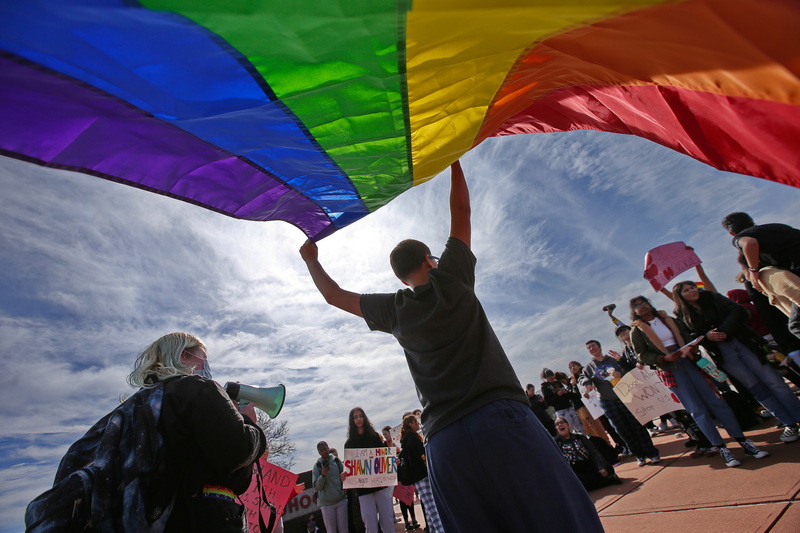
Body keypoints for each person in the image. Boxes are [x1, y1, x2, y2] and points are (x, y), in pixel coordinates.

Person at [300, 161, 603, 532]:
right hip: (500, 418)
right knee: (559, 518)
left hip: (445, 442)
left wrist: (311, 260)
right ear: (430, 260)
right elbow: (462, 211)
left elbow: (333, 295)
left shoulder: (394, 309)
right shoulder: (454, 277)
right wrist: (455, 158)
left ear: (399, 277)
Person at [127, 332, 267, 532]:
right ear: (183, 356)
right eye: (204, 359)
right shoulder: (197, 387)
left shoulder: (138, 404)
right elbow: (237, 452)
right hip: (203, 516)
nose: (207, 367)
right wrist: (247, 422)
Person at [628, 295, 764, 467]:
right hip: (670, 368)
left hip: (690, 360)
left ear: (650, 304)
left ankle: (742, 440)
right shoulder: (637, 331)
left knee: (716, 400)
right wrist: (663, 357)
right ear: (634, 311)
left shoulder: (668, 319)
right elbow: (641, 354)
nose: (643, 307)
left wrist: (690, 346)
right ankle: (721, 448)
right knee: (696, 409)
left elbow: (686, 333)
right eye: (637, 305)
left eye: (644, 303)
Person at [671, 281, 800, 444]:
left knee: (773, 381)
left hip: (743, 342)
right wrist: (707, 336)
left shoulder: (712, 297)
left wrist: (725, 330)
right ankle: (788, 423)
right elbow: (691, 335)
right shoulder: (681, 313)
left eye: (693, 287)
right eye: (687, 290)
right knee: (756, 388)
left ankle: (798, 417)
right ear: (679, 296)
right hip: (723, 353)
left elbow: (739, 310)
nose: (693, 290)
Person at [579, 340, 660, 467]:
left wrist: (620, 374)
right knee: (622, 430)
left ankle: (651, 453)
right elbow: (582, 378)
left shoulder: (612, 360)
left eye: (593, 346)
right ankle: (639, 455)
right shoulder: (589, 367)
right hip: (607, 401)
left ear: (599, 347)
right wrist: (587, 383)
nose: (592, 349)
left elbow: (628, 370)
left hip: (625, 397)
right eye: (589, 348)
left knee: (636, 426)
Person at [722, 212, 800, 338]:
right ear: (751, 221)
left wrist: (753, 270)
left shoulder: (740, 237)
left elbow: (750, 243)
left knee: (796, 325)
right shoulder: (777, 227)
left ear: (732, 233)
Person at [343, 408, 395, 533]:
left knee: (388, 521)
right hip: (363, 491)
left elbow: (384, 458)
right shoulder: (349, 444)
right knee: (370, 523)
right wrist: (345, 475)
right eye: (355, 417)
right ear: (352, 421)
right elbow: (349, 468)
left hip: (381, 486)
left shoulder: (375, 437)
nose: (359, 419)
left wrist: (393, 461)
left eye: (360, 416)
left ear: (364, 418)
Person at [553, 417, 622, 491]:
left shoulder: (580, 437)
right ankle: (608, 481)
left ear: (568, 425)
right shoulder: (556, 443)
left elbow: (594, 452)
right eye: (557, 424)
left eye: (562, 422)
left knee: (608, 468)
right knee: (579, 481)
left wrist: (601, 467)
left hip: (588, 464)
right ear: (556, 429)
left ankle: (598, 480)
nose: (560, 425)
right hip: (575, 469)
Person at [399, 414, 442, 532]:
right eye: (416, 422)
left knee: (429, 507)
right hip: (422, 475)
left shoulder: (408, 439)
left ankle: (434, 529)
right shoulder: (412, 439)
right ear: (411, 424)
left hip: (418, 477)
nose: (418, 424)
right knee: (432, 506)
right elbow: (421, 457)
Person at [566, 362, 612, 445]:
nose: (573, 368)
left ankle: (613, 443)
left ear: (579, 365)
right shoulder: (573, 381)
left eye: (574, 365)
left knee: (606, 422)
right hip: (586, 406)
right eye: (571, 367)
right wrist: (573, 386)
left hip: (598, 400)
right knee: (596, 427)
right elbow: (576, 395)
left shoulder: (586, 372)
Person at [312, 441, 349, 533]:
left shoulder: (336, 461)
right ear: (319, 453)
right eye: (321, 451)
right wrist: (323, 475)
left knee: (343, 529)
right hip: (326, 503)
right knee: (331, 530)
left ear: (328, 448)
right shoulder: (317, 466)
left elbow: (345, 476)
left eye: (325, 449)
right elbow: (316, 487)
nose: (324, 452)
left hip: (340, 499)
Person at [541, 368, 584, 433]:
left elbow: (566, 394)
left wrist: (570, 394)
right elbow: (548, 402)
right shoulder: (545, 387)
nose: (552, 378)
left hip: (569, 407)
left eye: (552, 376)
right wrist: (558, 395)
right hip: (560, 410)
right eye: (549, 377)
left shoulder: (557, 383)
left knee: (579, 425)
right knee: (569, 429)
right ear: (546, 378)